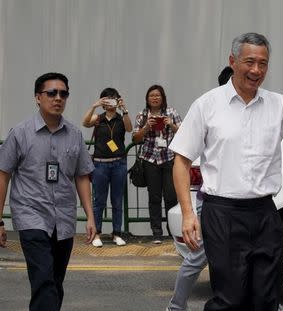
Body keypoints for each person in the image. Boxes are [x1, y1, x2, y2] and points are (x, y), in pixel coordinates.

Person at [169, 32, 283, 310]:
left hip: (264, 214)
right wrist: (188, 213)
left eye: (263, 63)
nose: (256, 70)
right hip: (222, 213)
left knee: (266, 298)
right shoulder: (207, 105)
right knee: (229, 299)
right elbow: (182, 160)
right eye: (249, 62)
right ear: (233, 61)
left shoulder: (278, 104)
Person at [0, 72, 96, 311]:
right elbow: (3, 176)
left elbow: (82, 176)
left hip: (63, 219)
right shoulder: (20, 133)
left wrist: (91, 217)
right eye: (51, 93)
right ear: (37, 97)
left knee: (54, 282)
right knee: (43, 279)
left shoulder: (74, 135)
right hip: (31, 216)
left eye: (63, 93)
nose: (58, 98)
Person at [166, 66, 233, 311]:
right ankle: (175, 307)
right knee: (198, 256)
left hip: (242, 207)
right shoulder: (210, 112)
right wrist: (188, 214)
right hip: (213, 202)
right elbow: (182, 159)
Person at [82, 87, 132, 247]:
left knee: (117, 200)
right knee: (99, 201)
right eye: (107, 99)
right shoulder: (98, 118)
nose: (111, 101)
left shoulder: (120, 118)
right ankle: (96, 233)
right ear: (104, 102)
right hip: (100, 165)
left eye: (114, 98)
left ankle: (117, 232)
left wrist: (124, 109)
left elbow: (130, 128)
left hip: (119, 163)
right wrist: (94, 106)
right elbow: (84, 123)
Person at [132, 84, 182, 244]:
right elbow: (135, 138)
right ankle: (157, 233)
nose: (154, 98)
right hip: (149, 159)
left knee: (171, 197)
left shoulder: (171, 112)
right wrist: (147, 126)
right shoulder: (142, 115)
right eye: (151, 95)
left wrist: (171, 124)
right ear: (147, 99)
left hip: (168, 158)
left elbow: (184, 133)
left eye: (157, 95)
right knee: (154, 197)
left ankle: (172, 232)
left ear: (163, 98)